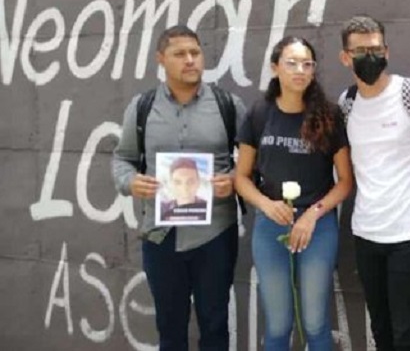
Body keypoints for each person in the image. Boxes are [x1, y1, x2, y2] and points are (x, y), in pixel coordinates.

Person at [112, 25, 245, 351]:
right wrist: (130, 182)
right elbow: (122, 159)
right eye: (179, 54)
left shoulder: (228, 105)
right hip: (161, 236)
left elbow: (254, 163)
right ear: (161, 59)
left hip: (215, 235)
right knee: (170, 330)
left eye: (195, 53)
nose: (190, 60)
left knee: (215, 327)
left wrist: (234, 180)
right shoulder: (142, 107)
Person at [337, 15, 410, 350]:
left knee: (407, 333)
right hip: (367, 233)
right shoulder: (347, 104)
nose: (369, 57)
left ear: (386, 52)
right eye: (360, 51)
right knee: (382, 330)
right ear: (345, 57)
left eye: (375, 49)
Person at [234, 36, 353, 351]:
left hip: (317, 226)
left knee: (315, 323)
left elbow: (345, 181)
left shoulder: (328, 115)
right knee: (277, 324)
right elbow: (241, 177)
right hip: (271, 224)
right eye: (291, 63)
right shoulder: (259, 113)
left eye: (307, 64)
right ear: (275, 67)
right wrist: (266, 204)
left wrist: (313, 214)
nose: (300, 70)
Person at [160, 157, 209, 222]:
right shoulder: (162, 209)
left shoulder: (209, 208)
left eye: (190, 182)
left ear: (198, 183)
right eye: (177, 182)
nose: (184, 188)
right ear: (171, 184)